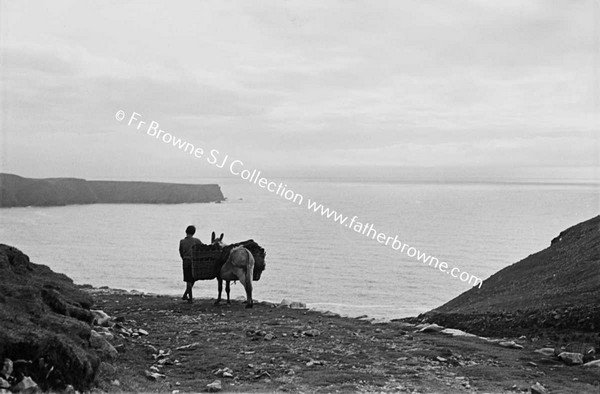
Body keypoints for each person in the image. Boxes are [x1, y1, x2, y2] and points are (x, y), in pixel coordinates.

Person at [179, 225, 202, 303]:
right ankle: (190, 298)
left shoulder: (182, 241)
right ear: (194, 232)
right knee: (192, 279)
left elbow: (181, 252)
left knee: (188, 279)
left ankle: (186, 295)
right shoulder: (196, 241)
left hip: (185, 261)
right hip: (193, 261)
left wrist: (184, 258)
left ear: (186, 231)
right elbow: (203, 248)